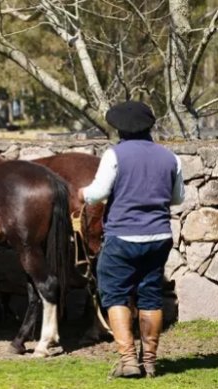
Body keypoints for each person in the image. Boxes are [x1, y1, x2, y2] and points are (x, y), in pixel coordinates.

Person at [78, 101, 184, 379]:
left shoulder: (114, 155)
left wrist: (82, 193)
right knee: (151, 296)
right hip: (159, 237)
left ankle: (128, 361)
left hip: (122, 238)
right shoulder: (170, 157)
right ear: (149, 126)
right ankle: (149, 361)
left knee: (115, 293)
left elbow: (97, 194)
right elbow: (177, 198)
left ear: (119, 129)